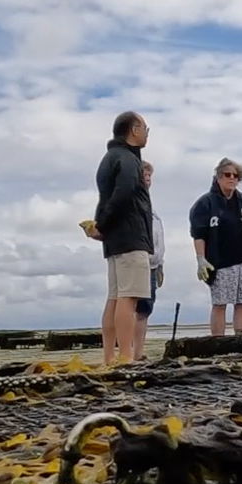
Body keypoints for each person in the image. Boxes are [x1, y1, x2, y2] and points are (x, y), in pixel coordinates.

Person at [89, 111, 152, 364]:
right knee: (129, 297)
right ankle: (125, 356)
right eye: (146, 128)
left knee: (115, 297)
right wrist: (102, 225)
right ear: (134, 129)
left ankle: (109, 357)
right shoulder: (127, 159)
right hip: (130, 237)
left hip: (115, 239)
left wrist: (100, 226)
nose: (147, 134)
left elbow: (105, 198)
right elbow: (123, 193)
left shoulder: (109, 157)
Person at [188, 158, 242, 337]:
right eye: (228, 175)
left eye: (236, 176)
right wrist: (200, 259)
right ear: (218, 177)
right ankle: (217, 341)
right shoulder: (205, 203)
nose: (232, 178)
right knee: (220, 303)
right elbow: (198, 234)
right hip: (220, 262)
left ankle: (241, 339)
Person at [135, 160, 164, 361]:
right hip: (138, 262)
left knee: (146, 309)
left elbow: (157, 236)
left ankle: (138, 351)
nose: (147, 178)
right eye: (144, 174)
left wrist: (161, 264)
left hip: (153, 264)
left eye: (149, 175)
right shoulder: (133, 201)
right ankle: (132, 352)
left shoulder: (150, 205)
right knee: (135, 307)